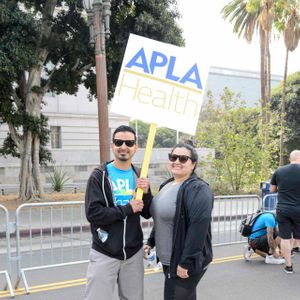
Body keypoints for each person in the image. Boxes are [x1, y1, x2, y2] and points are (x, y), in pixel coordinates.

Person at [84, 125, 152, 300]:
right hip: (104, 251)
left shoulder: (139, 174)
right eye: (119, 142)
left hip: (133, 253)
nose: (124, 146)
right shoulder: (99, 175)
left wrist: (147, 193)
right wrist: (127, 209)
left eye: (129, 143)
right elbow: (93, 214)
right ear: (113, 146)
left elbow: (147, 212)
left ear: (135, 147)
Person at [144, 141, 213, 300]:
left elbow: (198, 227)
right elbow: (162, 217)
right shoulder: (167, 185)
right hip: (169, 259)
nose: (176, 161)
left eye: (183, 159)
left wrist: (186, 262)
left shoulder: (198, 189)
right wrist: (151, 241)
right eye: (173, 157)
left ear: (193, 164)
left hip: (183, 262)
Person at [270, 149, 300, 274]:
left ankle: (289, 267)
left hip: (283, 208)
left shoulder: (279, 170)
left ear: (290, 159)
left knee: (285, 238)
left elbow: (272, 190)